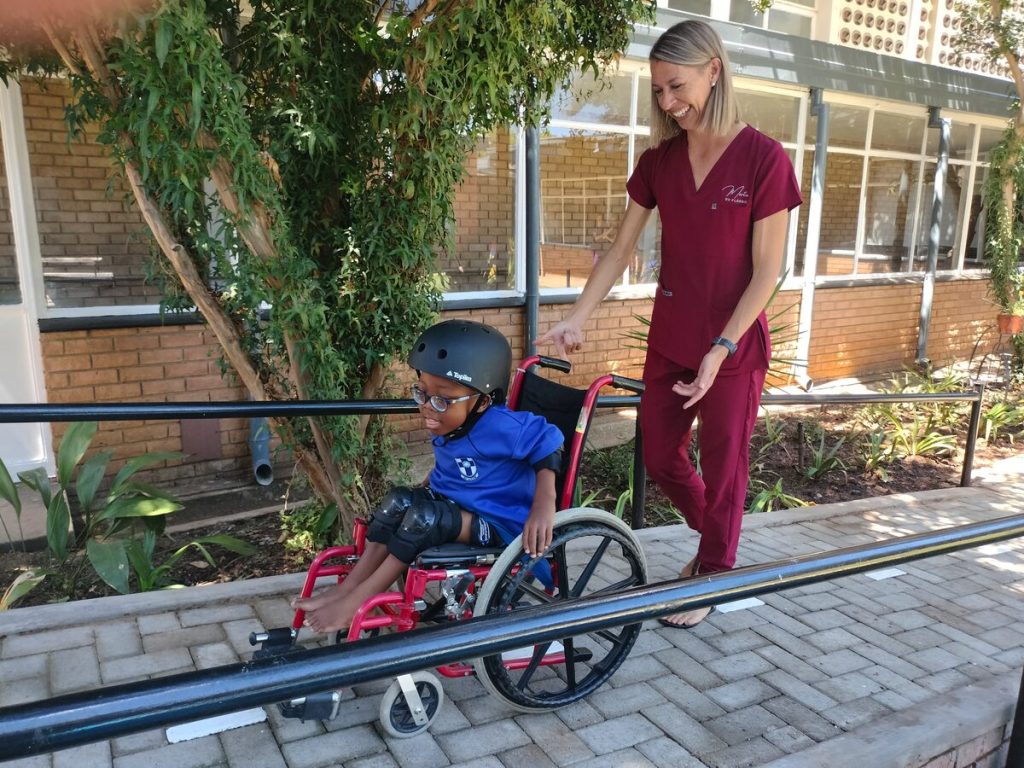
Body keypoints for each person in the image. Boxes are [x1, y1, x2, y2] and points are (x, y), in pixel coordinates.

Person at [537, 19, 802, 628]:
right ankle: (718, 541)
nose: (667, 102)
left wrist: (722, 346)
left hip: (730, 346)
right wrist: (578, 316)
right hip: (672, 336)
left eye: (676, 86)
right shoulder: (659, 161)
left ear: (714, 70)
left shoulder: (764, 160)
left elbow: (768, 272)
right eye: (658, 90)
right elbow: (619, 248)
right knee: (660, 455)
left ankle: (710, 574)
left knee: (726, 464)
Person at [295, 319, 564, 634]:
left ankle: (359, 600)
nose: (427, 408)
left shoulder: (501, 426)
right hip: (458, 507)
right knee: (397, 501)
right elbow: (456, 462)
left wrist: (545, 503)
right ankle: (349, 588)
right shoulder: (452, 421)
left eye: (442, 399)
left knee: (424, 518)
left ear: (483, 401)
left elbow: (549, 439)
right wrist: (424, 485)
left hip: (502, 524)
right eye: (421, 393)